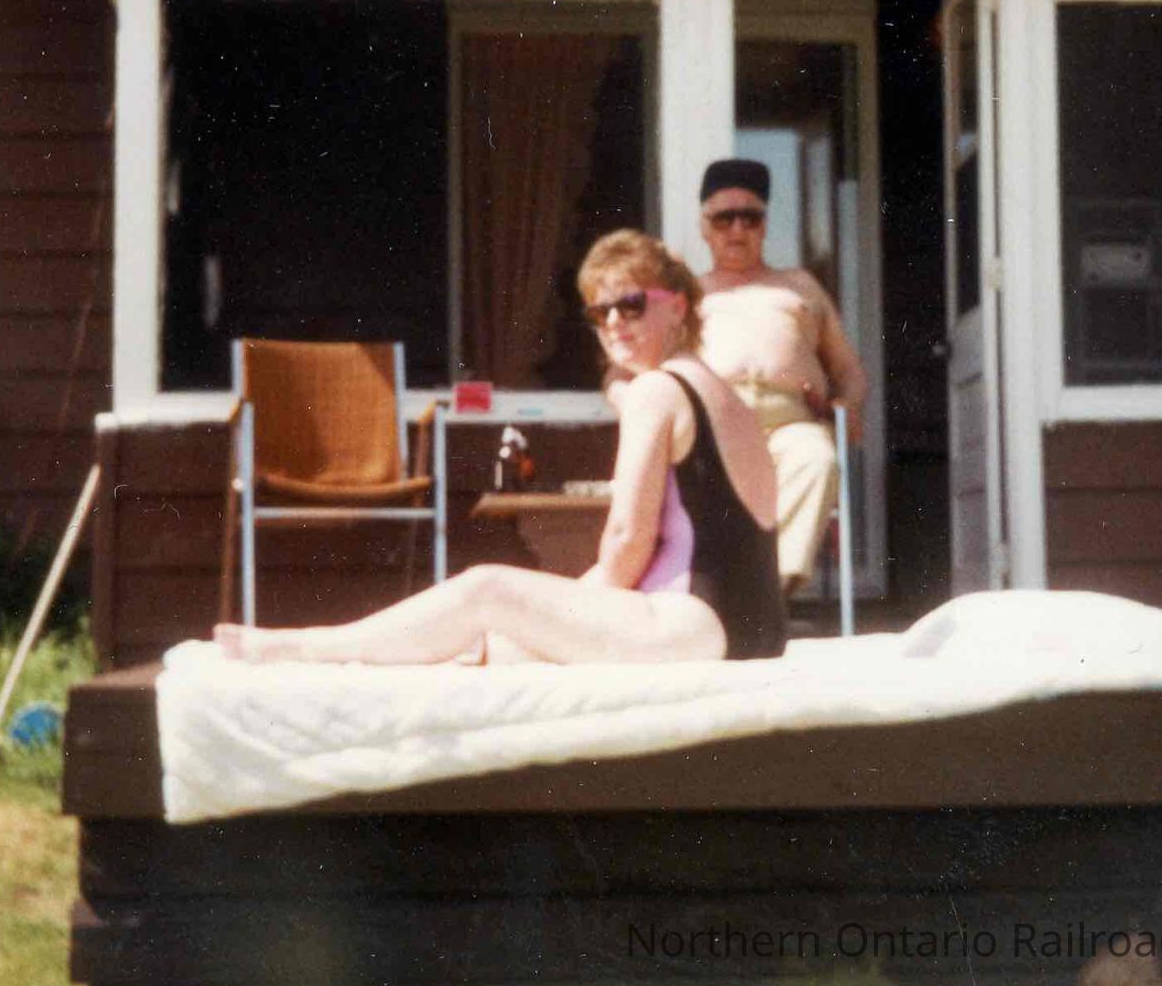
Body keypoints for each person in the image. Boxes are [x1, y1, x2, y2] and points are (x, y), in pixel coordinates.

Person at [215, 229, 785, 666]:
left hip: (693, 625)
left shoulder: (655, 391)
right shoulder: (725, 396)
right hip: (755, 628)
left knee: (487, 588)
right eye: (599, 311)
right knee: (499, 643)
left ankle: (309, 648)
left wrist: (569, 613)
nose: (613, 322)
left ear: (678, 305)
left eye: (631, 304)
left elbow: (626, 542)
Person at [692, 158, 870, 592]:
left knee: (817, 459)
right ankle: (732, 591)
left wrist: (847, 404)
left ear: (765, 225)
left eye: (750, 218)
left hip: (791, 421)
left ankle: (771, 588)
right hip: (718, 424)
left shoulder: (799, 285)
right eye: (724, 218)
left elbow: (848, 368)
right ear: (704, 227)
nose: (737, 230)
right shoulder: (690, 292)